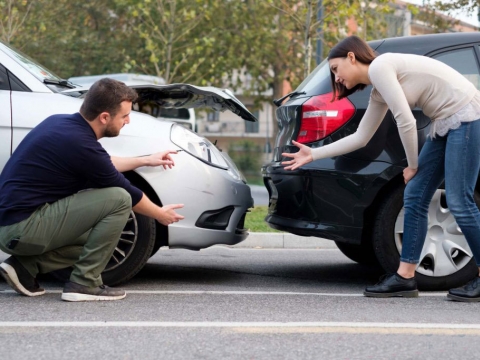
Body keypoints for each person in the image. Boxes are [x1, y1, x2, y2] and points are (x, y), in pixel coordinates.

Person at [282, 35, 480, 302]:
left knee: (459, 199)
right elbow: (361, 137)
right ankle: (405, 276)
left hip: (466, 117)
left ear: (352, 57)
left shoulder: (381, 66)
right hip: (445, 122)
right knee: (415, 196)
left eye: (336, 69)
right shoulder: (378, 89)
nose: (336, 78)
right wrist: (313, 153)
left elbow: (407, 122)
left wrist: (412, 166)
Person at [0, 78, 184, 302]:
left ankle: (24, 268)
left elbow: (103, 162)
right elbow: (129, 193)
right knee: (119, 198)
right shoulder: (80, 144)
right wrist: (160, 214)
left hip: (13, 227)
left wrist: (146, 160)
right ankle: (84, 283)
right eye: (124, 116)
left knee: (102, 238)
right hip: (22, 229)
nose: (127, 121)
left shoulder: (60, 124)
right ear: (105, 117)